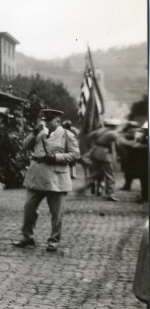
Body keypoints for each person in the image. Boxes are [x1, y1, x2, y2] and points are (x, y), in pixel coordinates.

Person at [12, 108, 80, 253]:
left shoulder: (67, 135)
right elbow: (24, 146)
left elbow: (75, 155)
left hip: (57, 178)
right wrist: (34, 132)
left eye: (49, 120)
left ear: (58, 121)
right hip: (36, 176)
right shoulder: (39, 133)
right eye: (44, 120)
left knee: (56, 214)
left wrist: (56, 158)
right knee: (28, 209)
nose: (46, 123)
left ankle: (53, 242)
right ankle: (27, 237)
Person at [87, 120, 121, 200]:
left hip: (95, 152)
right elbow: (118, 144)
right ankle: (110, 194)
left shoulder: (99, 131)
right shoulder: (113, 133)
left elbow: (88, 137)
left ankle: (94, 184)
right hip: (105, 154)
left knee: (98, 171)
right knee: (110, 174)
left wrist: (92, 145)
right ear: (114, 126)